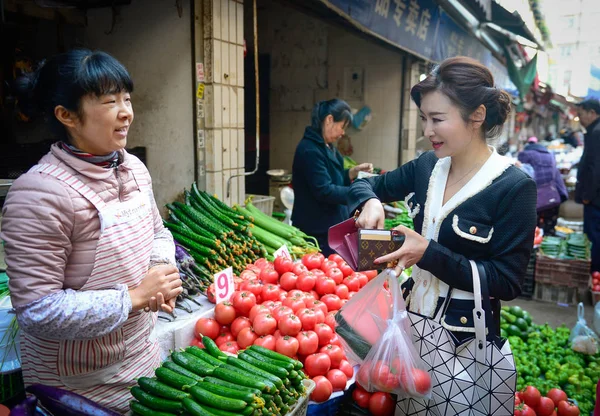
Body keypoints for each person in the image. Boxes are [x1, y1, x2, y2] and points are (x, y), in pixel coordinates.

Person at [0, 50, 182, 413]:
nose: (126, 111)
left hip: (143, 362)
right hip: (76, 386)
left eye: (127, 98)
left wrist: (160, 272)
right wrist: (133, 297)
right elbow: (38, 310)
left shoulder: (133, 169)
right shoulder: (38, 193)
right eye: (109, 101)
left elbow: (158, 231)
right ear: (66, 115)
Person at [349, 57, 537, 343]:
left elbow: (507, 281)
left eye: (437, 119)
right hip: (408, 327)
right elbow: (366, 185)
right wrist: (371, 201)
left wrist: (428, 253)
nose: (427, 131)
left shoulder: (513, 187)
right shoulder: (426, 167)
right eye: (424, 119)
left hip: (465, 343)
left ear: (477, 116)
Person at [292, 99, 373, 256]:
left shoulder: (328, 147)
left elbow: (332, 177)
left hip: (332, 227)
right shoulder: (310, 150)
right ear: (329, 120)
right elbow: (324, 190)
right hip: (318, 231)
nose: (343, 133)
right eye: (342, 126)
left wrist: (352, 172)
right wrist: (358, 194)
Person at [518, 136, 568, 235]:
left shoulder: (525, 154)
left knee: (533, 231)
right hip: (553, 195)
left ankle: (536, 248)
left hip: (535, 199)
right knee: (549, 228)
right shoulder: (549, 155)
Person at [575, 98, 600, 273]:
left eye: (581, 114)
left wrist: (587, 195)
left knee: (594, 236)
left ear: (592, 113)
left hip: (595, 198)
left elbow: (596, 168)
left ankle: (595, 272)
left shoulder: (597, 132)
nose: (580, 118)